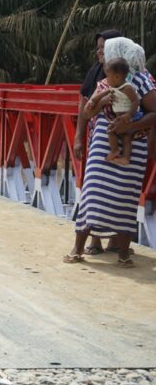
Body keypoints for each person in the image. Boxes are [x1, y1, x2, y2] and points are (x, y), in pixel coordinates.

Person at [66, 37, 156, 267]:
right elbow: (87, 112)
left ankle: (123, 252)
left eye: (106, 51)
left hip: (133, 145)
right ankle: (78, 248)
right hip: (102, 144)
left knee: (125, 198)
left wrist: (131, 125)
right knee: (92, 193)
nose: (103, 55)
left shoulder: (143, 80)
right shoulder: (105, 80)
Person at [74, 29, 123, 255]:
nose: (99, 53)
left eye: (104, 48)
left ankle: (115, 241)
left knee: (119, 190)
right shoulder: (95, 72)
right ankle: (94, 240)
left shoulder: (128, 71)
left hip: (126, 139)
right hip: (99, 139)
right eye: (98, 49)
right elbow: (83, 103)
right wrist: (78, 138)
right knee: (94, 188)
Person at [83, 58, 139, 165]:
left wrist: (129, 114)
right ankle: (122, 156)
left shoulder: (127, 88)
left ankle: (118, 152)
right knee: (123, 136)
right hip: (118, 117)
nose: (106, 79)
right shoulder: (113, 86)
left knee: (120, 135)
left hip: (126, 118)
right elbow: (103, 93)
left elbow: (136, 101)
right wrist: (93, 100)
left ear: (117, 77)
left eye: (108, 76)